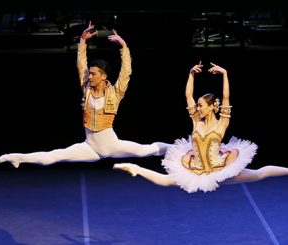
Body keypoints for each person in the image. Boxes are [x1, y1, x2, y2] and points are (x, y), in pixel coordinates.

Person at [0, 21, 170, 168]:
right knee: (54, 156)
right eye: (90, 73)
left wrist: (123, 47)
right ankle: (17, 157)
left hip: (111, 145)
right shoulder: (86, 88)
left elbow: (126, 72)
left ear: (104, 76)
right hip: (90, 147)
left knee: (147, 150)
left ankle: (183, 147)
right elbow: (81, 64)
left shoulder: (115, 93)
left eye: (94, 73)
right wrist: (82, 41)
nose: (90, 75)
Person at [113, 61, 288, 193]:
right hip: (196, 169)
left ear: (212, 106)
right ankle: (136, 168)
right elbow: (188, 95)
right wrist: (191, 74)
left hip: (220, 170)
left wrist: (225, 74)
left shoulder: (221, 124)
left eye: (201, 105)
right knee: (167, 181)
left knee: (258, 174)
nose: (198, 108)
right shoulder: (197, 122)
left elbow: (226, 97)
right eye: (197, 105)